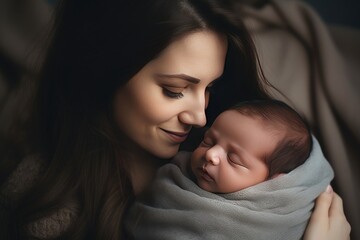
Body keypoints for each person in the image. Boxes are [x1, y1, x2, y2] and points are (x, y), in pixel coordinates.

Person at [0, 0, 350, 239]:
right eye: (174, 90)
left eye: (209, 87)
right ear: (103, 73)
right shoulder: (51, 210)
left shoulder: (241, 144)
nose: (200, 118)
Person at [125, 100, 334, 239]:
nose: (211, 154)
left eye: (233, 159)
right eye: (208, 141)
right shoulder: (175, 176)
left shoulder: (282, 217)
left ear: (274, 181)